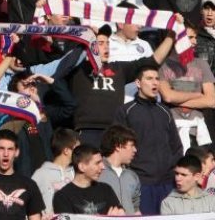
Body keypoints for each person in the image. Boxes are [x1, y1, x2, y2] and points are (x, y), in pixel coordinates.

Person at [114, 64, 184, 214]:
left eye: (157, 79)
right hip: (141, 184)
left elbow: (176, 147)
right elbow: (117, 149)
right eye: (149, 78)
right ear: (138, 83)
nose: (155, 83)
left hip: (167, 183)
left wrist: (171, 170)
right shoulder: (126, 111)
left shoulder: (165, 111)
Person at [52, 144, 125, 215]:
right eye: (97, 163)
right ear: (82, 167)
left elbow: (121, 214)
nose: (103, 167)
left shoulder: (106, 189)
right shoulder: (62, 197)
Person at [31, 128, 79, 213]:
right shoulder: (41, 174)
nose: (80, 153)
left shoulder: (77, 174)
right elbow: (30, 203)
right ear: (66, 150)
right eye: (77, 149)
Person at [99, 124, 141, 214]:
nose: (135, 150)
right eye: (132, 145)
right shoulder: (97, 172)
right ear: (118, 146)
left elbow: (136, 208)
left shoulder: (132, 176)